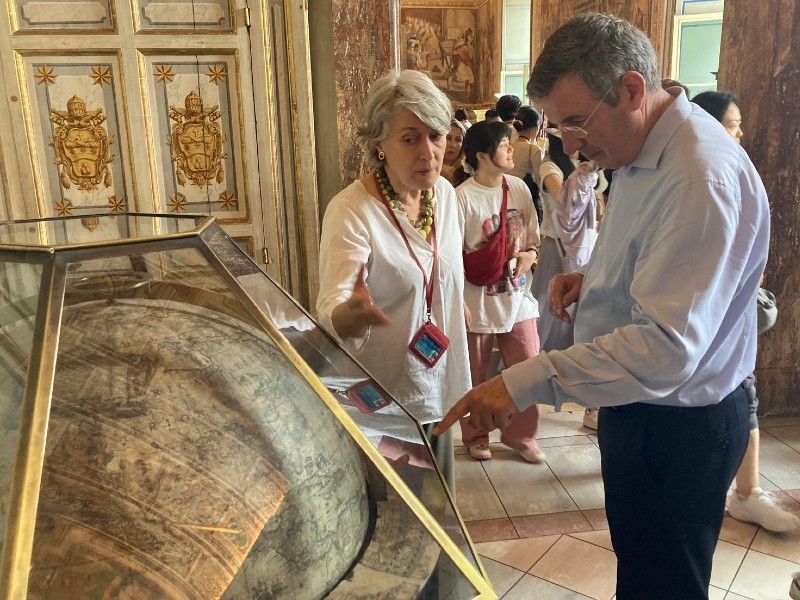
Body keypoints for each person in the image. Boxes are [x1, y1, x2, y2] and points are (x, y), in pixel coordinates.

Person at [434, 13, 770, 600]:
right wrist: (593, 279)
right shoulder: (639, 149)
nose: (568, 145)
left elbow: (667, 349)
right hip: (638, 408)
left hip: (679, 424)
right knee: (639, 572)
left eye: (575, 122)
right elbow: (659, 260)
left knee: (664, 583)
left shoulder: (698, 176)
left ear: (632, 90)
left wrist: (522, 382)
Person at [316, 70, 470, 490]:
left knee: (439, 514)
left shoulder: (447, 198)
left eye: (436, 135)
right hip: (380, 404)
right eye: (410, 138)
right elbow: (330, 314)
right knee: (396, 524)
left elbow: (443, 275)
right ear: (379, 143)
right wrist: (354, 314)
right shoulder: (352, 212)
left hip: (436, 390)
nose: (429, 152)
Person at [692, 90, 800, 533]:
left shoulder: (729, 171)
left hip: (728, 320)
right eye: (735, 124)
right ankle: (734, 494)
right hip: (706, 322)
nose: (742, 133)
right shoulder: (706, 177)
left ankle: (746, 492)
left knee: (741, 397)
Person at [456, 120, 544, 463]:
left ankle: (521, 434)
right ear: (482, 155)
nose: (512, 150)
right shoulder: (462, 198)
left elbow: (534, 238)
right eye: (505, 146)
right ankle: (476, 435)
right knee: (474, 374)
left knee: (528, 369)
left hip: (518, 297)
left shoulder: (519, 188)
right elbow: (450, 255)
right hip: (475, 301)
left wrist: (529, 255)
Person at [508, 105, 545, 223]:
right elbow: (540, 182)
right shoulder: (534, 149)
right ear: (535, 128)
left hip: (509, 198)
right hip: (527, 200)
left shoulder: (510, 146)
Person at [441, 118, 468, 187]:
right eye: (448, 138)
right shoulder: (428, 170)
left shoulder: (468, 170)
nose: (453, 145)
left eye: (458, 140)